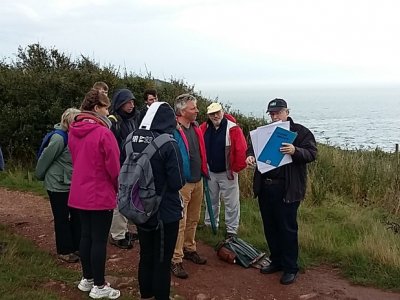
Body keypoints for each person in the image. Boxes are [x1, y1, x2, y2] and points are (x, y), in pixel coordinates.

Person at [246, 98, 317, 285]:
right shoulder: (263, 132)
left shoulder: (300, 132)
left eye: (278, 112)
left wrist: (295, 150)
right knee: (270, 226)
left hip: (287, 188)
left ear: (287, 112)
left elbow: (312, 153)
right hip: (266, 187)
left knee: (287, 228)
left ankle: (290, 267)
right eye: (271, 113)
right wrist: (250, 156)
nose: (275, 116)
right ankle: (276, 261)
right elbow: (251, 148)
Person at [129, 101, 185, 300]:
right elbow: (177, 181)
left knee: (146, 256)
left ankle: (146, 295)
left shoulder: (131, 138)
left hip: (139, 206)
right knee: (162, 260)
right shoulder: (168, 143)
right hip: (164, 211)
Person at [68, 88, 121, 299]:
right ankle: (99, 286)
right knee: (99, 240)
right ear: (97, 108)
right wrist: (118, 188)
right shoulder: (104, 133)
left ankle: (87, 278)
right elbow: (114, 168)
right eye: (106, 107)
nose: (108, 112)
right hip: (99, 193)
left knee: (86, 236)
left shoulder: (73, 130)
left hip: (79, 192)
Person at [35, 108, 81, 263]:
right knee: (61, 217)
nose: (77, 124)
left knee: (76, 216)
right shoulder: (59, 138)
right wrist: (39, 175)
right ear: (67, 121)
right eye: (74, 121)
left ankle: (76, 247)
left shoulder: (74, 136)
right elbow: (45, 159)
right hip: (57, 184)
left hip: (70, 183)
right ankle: (65, 250)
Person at [171, 94, 208, 279]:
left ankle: (189, 248)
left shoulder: (195, 127)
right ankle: (176, 259)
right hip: (182, 183)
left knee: (193, 218)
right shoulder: (173, 130)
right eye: (193, 108)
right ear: (182, 111)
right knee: (180, 221)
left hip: (197, 179)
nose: (197, 111)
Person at [199, 102, 247, 238]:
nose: (215, 116)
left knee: (231, 202)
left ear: (222, 111)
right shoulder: (204, 127)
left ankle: (232, 230)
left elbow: (241, 150)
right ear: (208, 115)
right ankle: (210, 224)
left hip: (227, 172)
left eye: (218, 112)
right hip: (210, 171)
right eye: (212, 114)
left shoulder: (233, 129)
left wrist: (235, 169)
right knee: (211, 200)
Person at [108, 88, 141, 249]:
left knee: (128, 199)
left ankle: (124, 230)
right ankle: (117, 235)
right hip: (121, 166)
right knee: (119, 201)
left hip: (131, 165)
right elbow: (112, 147)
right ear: (120, 103)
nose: (131, 105)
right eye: (127, 102)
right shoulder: (114, 121)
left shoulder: (132, 119)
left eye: (132, 102)